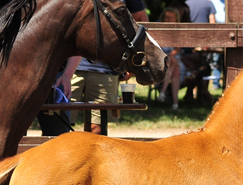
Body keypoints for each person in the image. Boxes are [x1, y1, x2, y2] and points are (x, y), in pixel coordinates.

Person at [62, 0, 148, 135]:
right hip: (70, 68)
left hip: (106, 68)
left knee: (97, 130)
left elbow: (141, 20)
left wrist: (132, 63)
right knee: (62, 126)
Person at [157, 7, 182, 110]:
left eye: (171, 17)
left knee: (173, 62)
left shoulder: (178, 31)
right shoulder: (158, 30)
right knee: (175, 70)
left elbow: (177, 50)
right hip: (161, 60)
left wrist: (170, 56)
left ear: (176, 19)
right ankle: (175, 103)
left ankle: (163, 92)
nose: (168, 19)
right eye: (166, 17)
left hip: (174, 58)